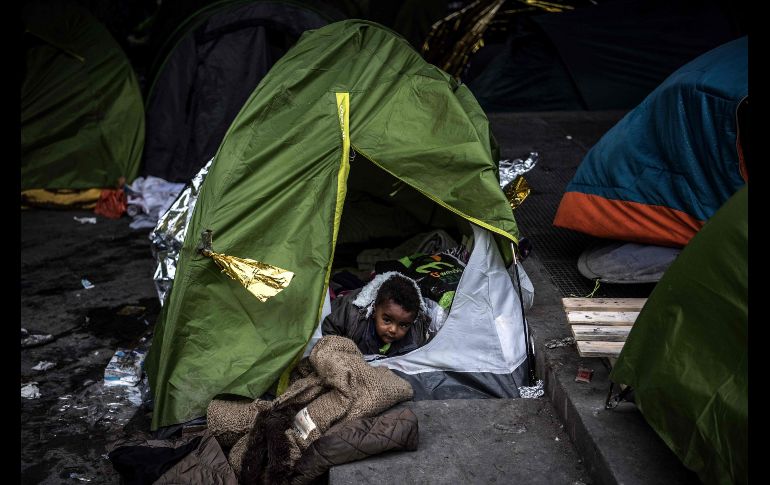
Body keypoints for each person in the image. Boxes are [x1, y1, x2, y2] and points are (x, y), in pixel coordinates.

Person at [321, 271, 435, 357]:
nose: (393, 330)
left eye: (403, 325)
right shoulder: (353, 315)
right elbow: (329, 328)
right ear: (374, 311)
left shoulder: (416, 331)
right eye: (387, 320)